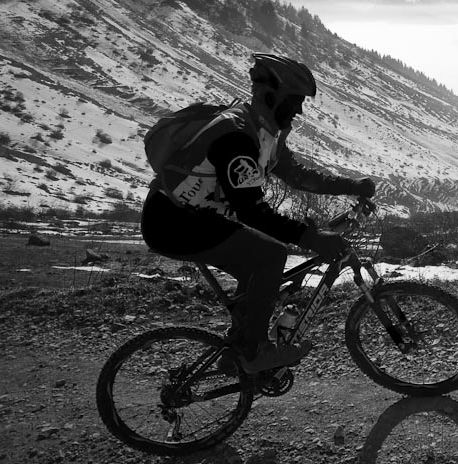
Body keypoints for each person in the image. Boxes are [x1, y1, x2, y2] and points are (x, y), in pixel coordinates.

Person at [140, 53, 376, 373]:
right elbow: (253, 212)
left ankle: (235, 350)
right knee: (269, 255)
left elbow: (298, 176)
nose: (299, 110)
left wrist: (353, 186)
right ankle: (253, 353)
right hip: (171, 222)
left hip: (193, 217)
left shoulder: (263, 134)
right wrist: (312, 237)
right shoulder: (235, 137)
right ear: (269, 95)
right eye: (294, 101)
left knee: (257, 265)